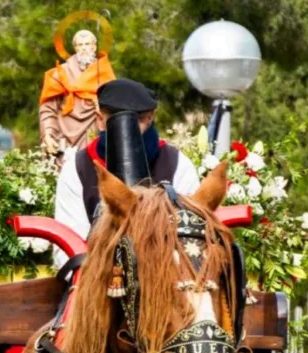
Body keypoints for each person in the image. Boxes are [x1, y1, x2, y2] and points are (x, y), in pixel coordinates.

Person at [53, 78, 200, 267]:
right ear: (100, 120)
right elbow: (69, 249)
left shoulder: (177, 164)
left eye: (138, 119)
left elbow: (191, 237)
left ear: (150, 117)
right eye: (115, 118)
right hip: (98, 274)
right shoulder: (78, 168)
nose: (129, 129)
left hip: (166, 272)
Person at [39, 29, 116, 161]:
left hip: (93, 132)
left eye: (87, 44)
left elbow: (114, 106)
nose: (84, 48)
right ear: (75, 48)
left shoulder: (103, 72)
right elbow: (48, 108)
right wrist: (48, 134)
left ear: (94, 47)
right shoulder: (61, 73)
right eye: (80, 45)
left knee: (92, 166)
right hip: (65, 135)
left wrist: (102, 107)